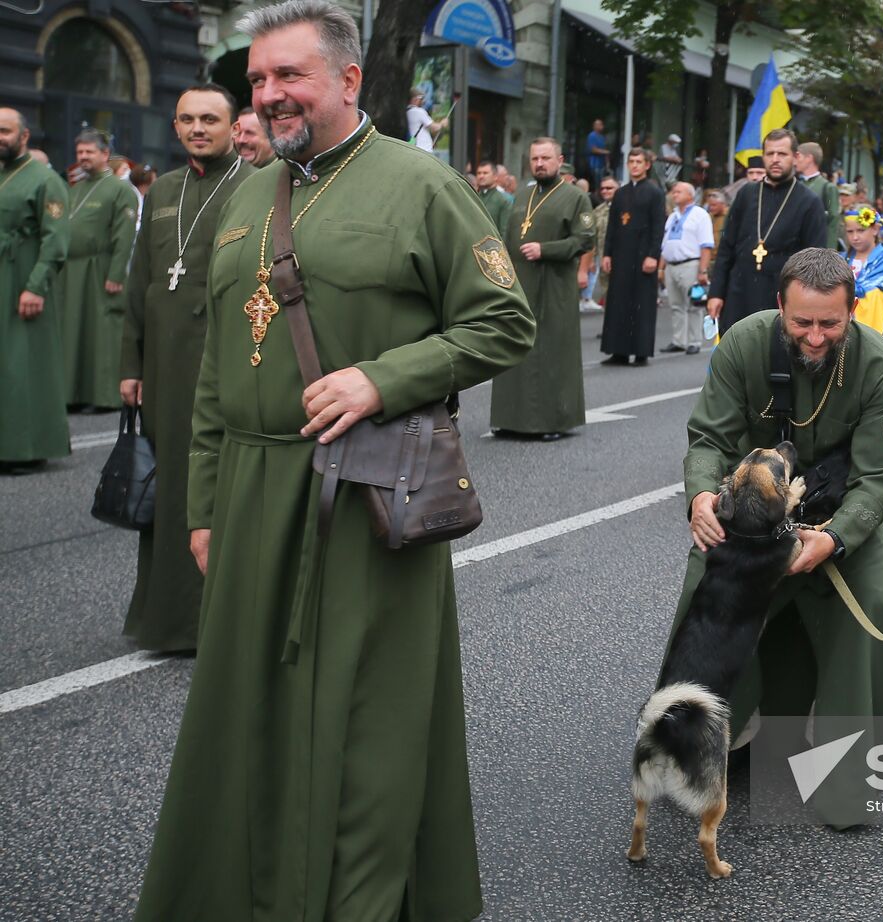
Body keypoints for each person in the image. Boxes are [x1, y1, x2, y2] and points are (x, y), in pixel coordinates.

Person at [132, 3, 535, 919]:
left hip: (366, 490)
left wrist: (382, 379)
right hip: (245, 493)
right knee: (248, 715)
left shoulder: (421, 185)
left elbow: (507, 322)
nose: (269, 95)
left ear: (349, 80)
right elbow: (212, 376)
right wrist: (200, 510)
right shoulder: (245, 192)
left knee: (366, 720)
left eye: (291, 77)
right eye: (258, 80)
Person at [678, 246, 883, 819]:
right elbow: (709, 438)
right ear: (779, 305)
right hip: (752, 524)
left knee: (869, 608)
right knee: (700, 592)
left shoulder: (882, 367)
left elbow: (878, 480)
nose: (813, 337)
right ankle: (690, 750)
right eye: (800, 321)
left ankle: (851, 781)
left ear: (852, 311)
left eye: (830, 323)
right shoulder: (742, 344)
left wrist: (833, 540)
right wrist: (702, 496)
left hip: (839, 522)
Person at [118, 83, 250, 653]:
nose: (199, 129)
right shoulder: (165, 189)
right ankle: (167, 619)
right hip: (166, 365)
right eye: (188, 120)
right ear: (176, 127)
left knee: (221, 485)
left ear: (233, 128)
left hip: (227, 358)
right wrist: (132, 361)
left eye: (210, 120)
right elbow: (142, 282)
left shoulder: (257, 185)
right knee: (171, 485)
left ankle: (220, 622)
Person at [490, 136, 594, 440]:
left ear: (559, 161)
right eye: (535, 159)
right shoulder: (522, 195)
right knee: (514, 347)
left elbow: (584, 239)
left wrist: (546, 249)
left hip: (554, 287)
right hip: (519, 285)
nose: (539, 164)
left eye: (546, 158)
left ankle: (551, 422)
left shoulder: (575, 197)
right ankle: (509, 418)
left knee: (550, 352)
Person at [0, 108, 70, 476]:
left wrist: (35, 286)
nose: (0, 137)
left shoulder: (44, 179)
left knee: (22, 366)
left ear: (24, 136)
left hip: (22, 281)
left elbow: (56, 239)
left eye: (5, 130)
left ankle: (27, 448)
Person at [708, 128, 826, 333]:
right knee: (736, 358)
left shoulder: (809, 202)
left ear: (795, 157)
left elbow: (814, 262)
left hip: (781, 300)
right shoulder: (746, 194)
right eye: (770, 153)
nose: (775, 159)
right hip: (739, 294)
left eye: (782, 154)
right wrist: (716, 292)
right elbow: (726, 247)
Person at [54, 128, 139, 411]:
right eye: (80, 152)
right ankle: (73, 394)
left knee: (101, 334)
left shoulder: (120, 189)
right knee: (74, 333)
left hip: (100, 268)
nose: (83, 157)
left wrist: (116, 274)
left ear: (104, 154)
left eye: (89, 152)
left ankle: (104, 396)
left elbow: (123, 235)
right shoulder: (74, 188)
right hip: (72, 270)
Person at [600, 147, 666, 365]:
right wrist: (607, 253)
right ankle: (617, 350)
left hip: (643, 256)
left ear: (647, 165)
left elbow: (658, 227)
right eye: (631, 161)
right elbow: (612, 227)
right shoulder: (620, 193)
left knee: (641, 304)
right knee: (618, 303)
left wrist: (652, 256)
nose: (635, 165)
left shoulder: (655, 193)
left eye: (639, 161)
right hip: (621, 255)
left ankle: (640, 351)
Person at [659, 180, 713, 354]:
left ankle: (694, 341)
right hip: (671, 265)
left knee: (693, 304)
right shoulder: (673, 216)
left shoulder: (700, 215)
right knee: (675, 304)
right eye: (674, 192)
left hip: (690, 263)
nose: (675, 195)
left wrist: (702, 270)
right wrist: (661, 267)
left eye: (679, 192)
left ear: (690, 195)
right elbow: (665, 244)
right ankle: (678, 340)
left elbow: (706, 245)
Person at [844, 205, 883, 356]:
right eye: (850, 232)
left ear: (875, 230)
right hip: (844, 328)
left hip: (876, 330)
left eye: (860, 230)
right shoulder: (841, 259)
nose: (855, 237)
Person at [795, 141, 842, 249]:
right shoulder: (797, 185)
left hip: (816, 248)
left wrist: (829, 252)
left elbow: (832, 223)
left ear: (809, 158)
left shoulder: (827, 188)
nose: (795, 161)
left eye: (799, 156)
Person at [581, 174, 617, 310]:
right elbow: (592, 237)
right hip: (603, 261)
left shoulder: (626, 208)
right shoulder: (598, 211)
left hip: (622, 259)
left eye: (609, 188)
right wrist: (590, 260)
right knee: (608, 294)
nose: (605, 191)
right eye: (603, 189)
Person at [405, 87, 448, 153]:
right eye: (421, 98)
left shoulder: (406, 112)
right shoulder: (419, 111)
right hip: (424, 150)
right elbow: (435, 128)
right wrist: (442, 123)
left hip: (414, 149)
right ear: (414, 99)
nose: (423, 101)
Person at [474, 159, 511, 233]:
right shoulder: (474, 197)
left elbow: (504, 230)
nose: (481, 176)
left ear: (495, 176)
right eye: (479, 173)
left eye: (485, 173)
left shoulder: (503, 200)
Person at [586, 117, 609, 186]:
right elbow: (593, 149)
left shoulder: (602, 137)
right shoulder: (592, 136)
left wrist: (607, 163)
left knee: (602, 183)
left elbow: (605, 149)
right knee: (597, 184)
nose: (602, 126)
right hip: (595, 165)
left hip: (602, 165)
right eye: (600, 124)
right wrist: (605, 152)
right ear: (595, 126)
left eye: (602, 124)